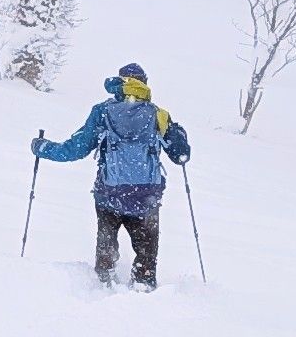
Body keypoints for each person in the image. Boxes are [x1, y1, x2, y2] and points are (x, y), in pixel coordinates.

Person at [34, 64, 191, 288]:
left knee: (106, 250)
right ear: (144, 83)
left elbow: (76, 149)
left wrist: (43, 148)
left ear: (120, 83)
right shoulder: (158, 114)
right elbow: (181, 155)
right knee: (146, 256)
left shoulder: (102, 111)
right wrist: (178, 133)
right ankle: (144, 288)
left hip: (110, 195)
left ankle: (102, 287)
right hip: (145, 198)